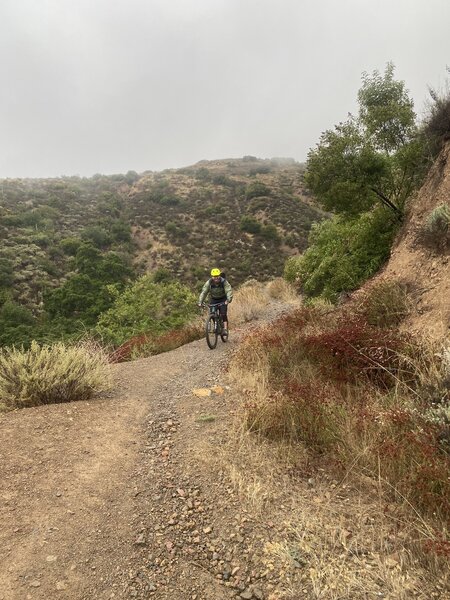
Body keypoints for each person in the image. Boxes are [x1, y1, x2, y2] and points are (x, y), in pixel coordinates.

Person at [198, 268, 233, 335]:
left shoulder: (224, 282)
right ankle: (216, 327)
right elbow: (204, 292)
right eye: (214, 276)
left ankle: (225, 329)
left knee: (223, 313)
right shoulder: (209, 282)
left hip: (223, 299)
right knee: (212, 313)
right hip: (214, 299)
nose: (216, 278)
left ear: (219, 275)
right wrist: (200, 302)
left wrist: (228, 300)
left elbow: (228, 290)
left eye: (217, 276)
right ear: (212, 276)